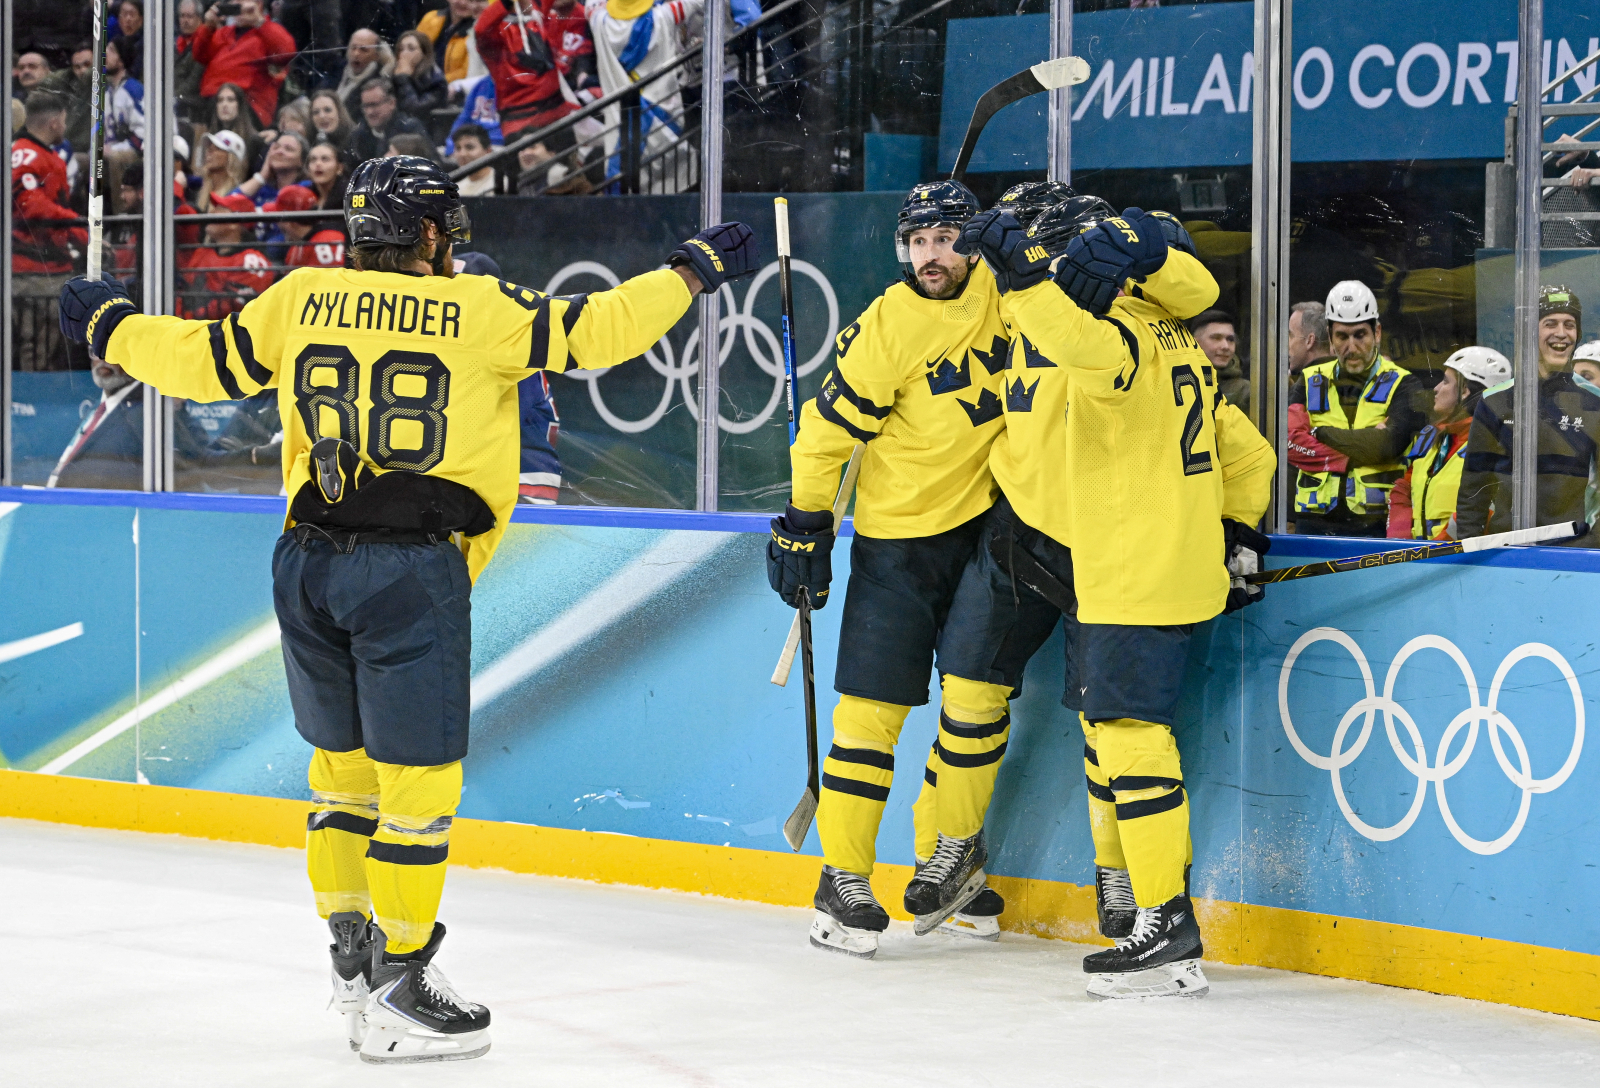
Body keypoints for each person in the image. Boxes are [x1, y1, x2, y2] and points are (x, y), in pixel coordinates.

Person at [58, 154, 757, 1062]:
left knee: (340, 779)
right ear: (428, 232)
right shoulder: (482, 309)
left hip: (305, 562)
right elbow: (604, 328)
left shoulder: (301, 295)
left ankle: (351, 962)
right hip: (411, 570)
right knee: (417, 792)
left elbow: (200, 363)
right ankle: (402, 977)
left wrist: (112, 324)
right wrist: (692, 270)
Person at [954, 202, 1273, 1000]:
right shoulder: (1175, 334)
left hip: (1130, 574)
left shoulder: (1121, 340)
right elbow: (1251, 455)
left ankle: (1165, 924)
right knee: (1125, 735)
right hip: (1170, 568)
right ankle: (1154, 917)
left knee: (1131, 739)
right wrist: (1238, 537)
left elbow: (1071, 339)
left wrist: (1021, 281)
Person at [765, 180, 1021, 959]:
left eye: (945, 238)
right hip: (898, 545)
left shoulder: (1009, 298)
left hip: (987, 535)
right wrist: (807, 525)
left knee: (977, 701)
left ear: (971, 242)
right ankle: (841, 882)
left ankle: (952, 857)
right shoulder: (887, 325)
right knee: (871, 720)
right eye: (917, 241)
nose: (929, 255)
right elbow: (823, 435)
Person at [1458, 286, 1600, 546]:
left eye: (1569, 324)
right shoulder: (1494, 401)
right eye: (1550, 323)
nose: (1561, 333)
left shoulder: (1595, 403)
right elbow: (1473, 490)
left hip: (1575, 558)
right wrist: (1472, 552)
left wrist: (1589, 548)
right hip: (1506, 553)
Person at [1287, 280, 1428, 537]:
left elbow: (1387, 445)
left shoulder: (1405, 383)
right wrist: (1361, 446)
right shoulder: (1308, 379)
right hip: (1313, 523)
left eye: (1360, 335)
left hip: (1374, 525)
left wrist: (1318, 433)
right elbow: (1289, 444)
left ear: (1377, 333)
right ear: (1330, 338)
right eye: (1342, 336)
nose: (1351, 347)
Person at [1387, 347, 1511, 541]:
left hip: (1457, 558)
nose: (1436, 388)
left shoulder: (1497, 444)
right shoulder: (1435, 436)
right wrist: (1399, 537)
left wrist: (1438, 548)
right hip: (1416, 556)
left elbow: (1486, 507)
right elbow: (1404, 488)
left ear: (1464, 391)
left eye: (1445, 381)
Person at [46, 348, 207, 489]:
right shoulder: (99, 404)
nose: (104, 359)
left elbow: (190, 470)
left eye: (114, 351)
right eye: (97, 350)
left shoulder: (151, 407)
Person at [587, 0, 700, 193]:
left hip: (621, 121)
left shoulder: (598, 21)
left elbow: (591, 5)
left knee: (624, 181)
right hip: (664, 115)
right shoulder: (665, 15)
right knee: (671, 182)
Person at [12, 91, 86, 372]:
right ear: (55, 122)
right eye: (64, 122)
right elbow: (31, 206)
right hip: (36, 271)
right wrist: (80, 228)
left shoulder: (34, 153)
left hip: (39, 269)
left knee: (44, 349)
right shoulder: (29, 155)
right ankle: (35, 409)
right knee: (39, 349)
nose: (65, 128)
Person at [194, 0, 298, 127]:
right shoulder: (224, 32)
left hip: (247, 104)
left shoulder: (269, 30)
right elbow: (199, 56)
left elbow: (286, 53)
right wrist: (208, 26)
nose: (235, 4)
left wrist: (259, 22)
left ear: (258, 4)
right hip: (212, 99)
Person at [177, 190, 275, 319]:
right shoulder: (202, 252)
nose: (211, 213)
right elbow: (183, 291)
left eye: (220, 210)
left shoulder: (253, 261)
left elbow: (232, 307)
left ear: (234, 223)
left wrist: (188, 317)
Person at [347, 78, 431, 166]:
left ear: (392, 103)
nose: (369, 112)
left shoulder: (410, 128)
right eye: (365, 106)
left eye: (374, 105)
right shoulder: (358, 136)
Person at [270, 183, 346, 268]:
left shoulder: (329, 241)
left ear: (288, 222)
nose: (277, 224)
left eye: (278, 219)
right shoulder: (295, 249)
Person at [392, 30, 450, 141]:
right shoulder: (393, 76)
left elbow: (415, 111)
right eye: (401, 49)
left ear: (424, 53)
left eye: (411, 48)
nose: (404, 53)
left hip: (423, 137)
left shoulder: (436, 82)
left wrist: (403, 79)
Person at [418, 0, 489, 87]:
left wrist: (433, 84)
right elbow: (412, 51)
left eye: (470, 0)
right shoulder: (431, 17)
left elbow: (467, 72)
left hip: (452, 91)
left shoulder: (478, 32)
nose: (463, 3)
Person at [1188, 308, 1246, 414]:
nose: (1225, 346)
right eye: (1216, 338)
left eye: (1230, 339)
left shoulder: (1245, 392)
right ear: (1195, 343)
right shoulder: (1178, 381)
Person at [335, 28, 394, 119]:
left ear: (376, 56)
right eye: (353, 48)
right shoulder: (339, 73)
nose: (356, 53)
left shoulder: (376, 82)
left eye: (364, 50)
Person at [208, 82, 267, 172]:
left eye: (230, 100)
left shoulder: (254, 141)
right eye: (220, 100)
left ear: (239, 105)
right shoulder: (210, 137)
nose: (224, 105)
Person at [194, 129, 251, 212]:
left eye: (217, 148)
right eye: (209, 147)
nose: (209, 151)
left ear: (231, 158)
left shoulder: (238, 197)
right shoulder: (197, 192)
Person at [175, 0, 207, 120]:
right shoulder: (175, 44)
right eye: (182, 16)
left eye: (190, 16)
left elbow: (193, 82)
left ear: (199, 19)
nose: (185, 20)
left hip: (190, 102)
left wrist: (169, 98)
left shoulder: (202, 44)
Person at [1287, 299, 1331, 384]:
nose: (1287, 344)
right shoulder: (1342, 378)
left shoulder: (1308, 387)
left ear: (1309, 340)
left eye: (1291, 336)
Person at [451, 123, 496, 195]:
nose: (462, 154)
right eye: (458, 148)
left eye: (470, 147)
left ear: (488, 151)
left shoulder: (501, 185)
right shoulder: (454, 189)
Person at [305, 139, 350, 208]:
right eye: (313, 159)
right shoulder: (305, 194)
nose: (318, 164)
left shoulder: (350, 196)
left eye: (325, 159)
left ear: (339, 168)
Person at [113, 0, 145, 81]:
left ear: (141, 20)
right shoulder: (117, 43)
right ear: (119, 20)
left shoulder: (143, 44)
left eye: (132, 14)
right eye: (124, 14)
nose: (128, 19)